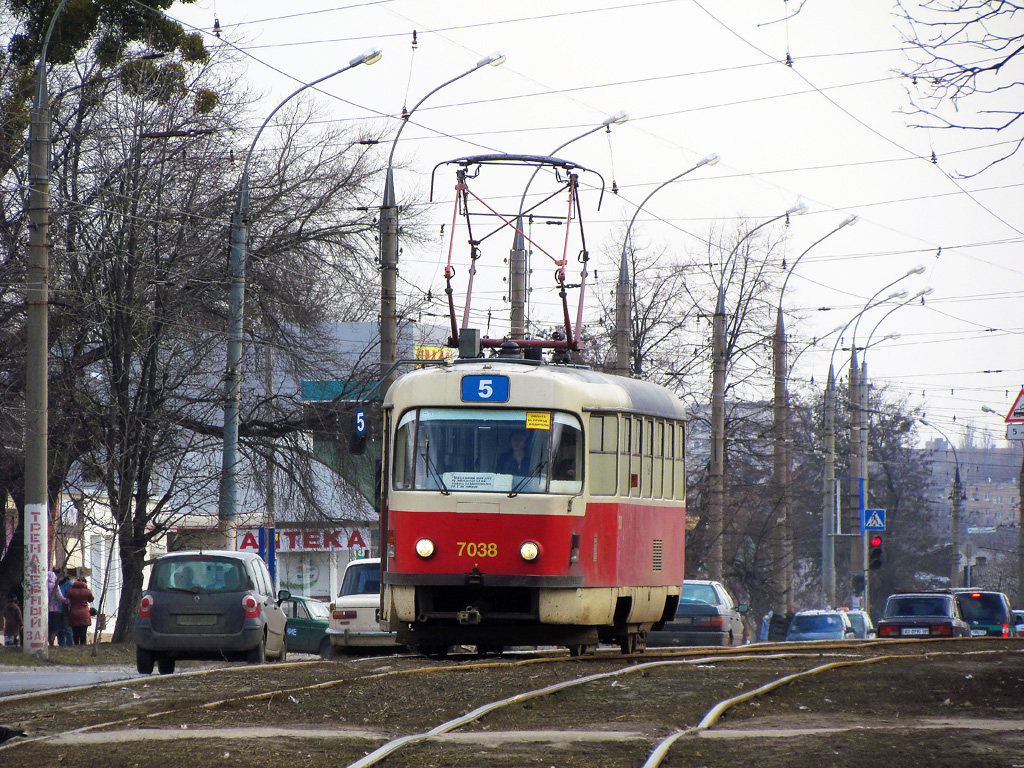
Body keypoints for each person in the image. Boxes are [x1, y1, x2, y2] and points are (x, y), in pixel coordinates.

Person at [66, 576, 95, 646]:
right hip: (84, 614)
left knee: (75, 633)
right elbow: (91, 599)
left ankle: (76, 645)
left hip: (73, 614)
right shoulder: (87, 591)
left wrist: (66, 613)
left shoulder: (70, 591)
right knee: (83, 633)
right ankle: (82, 646)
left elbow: (66, 602)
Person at [47, 568, 68, 646]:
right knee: (55, 627)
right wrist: (67, 600)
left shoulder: (43, 585)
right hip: (54, 610)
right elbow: (60, 597)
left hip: (45, 610)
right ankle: (51, 640)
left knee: (48, 626)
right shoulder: (55, 586)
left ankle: (48, 640)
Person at [58, 568, 75, 646]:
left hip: (66, 609)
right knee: (59, 628)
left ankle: (69, 644)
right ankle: (61, 644)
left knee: (67, 628)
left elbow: (70, 597)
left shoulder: (69, 584)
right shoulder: (55, 584)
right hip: (57, 609)